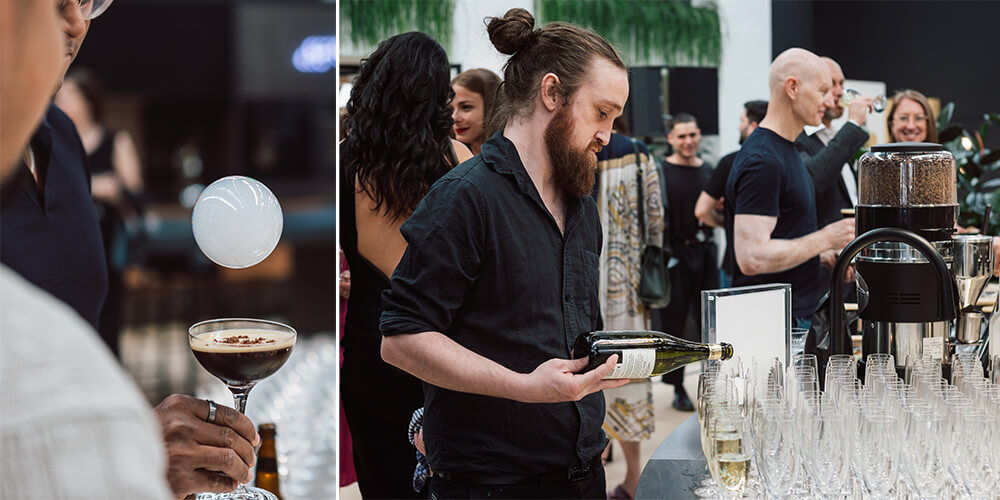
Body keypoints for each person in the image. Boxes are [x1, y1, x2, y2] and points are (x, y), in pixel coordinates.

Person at [0, 1, 261, 498]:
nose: (77, 21)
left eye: (88, 0)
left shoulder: (62, 139)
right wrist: (122, 449)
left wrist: (126, 444)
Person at [379, 8, 630, 499]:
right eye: (601, 113)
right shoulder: (465, 196)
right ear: (551, 93)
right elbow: (401, 339)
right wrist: (525, 386)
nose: (607, 134)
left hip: (581, 472)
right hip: (492, 482)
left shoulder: (581, 205)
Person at [340, 32, 472, 499]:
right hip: (441, 349)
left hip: (370, 352)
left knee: (382, 484)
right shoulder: (458, 161)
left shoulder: (344, 161)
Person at [724, 48, 856, 328]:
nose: (829, 100)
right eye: (822, 90)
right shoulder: (763, 160)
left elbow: (783, 234)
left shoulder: (785, 150)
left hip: (792, 313)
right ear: (793, 88)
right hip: (772, 321)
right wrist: (825, 239)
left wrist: (819, 256)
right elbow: (751, 258)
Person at [593, 116, 664, 500]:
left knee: (583, 370)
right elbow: (656, 219)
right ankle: (634, 477)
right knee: (629, 372)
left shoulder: (573, 148)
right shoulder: (637, 153)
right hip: (628, 286)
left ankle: (592, 469)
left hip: (580, 279)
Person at [54, 67, 144, 357]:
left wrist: (112, 189)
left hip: (106, 240)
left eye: (69, 95)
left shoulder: (115, 140)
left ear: (88, 101)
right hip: (65, 242)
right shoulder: (54, 140)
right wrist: (94, 186)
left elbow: (134, 193)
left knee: (107, 315)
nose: (61, 101)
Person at [653, 113, 718, 409]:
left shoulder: (709, 170)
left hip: (704, 252)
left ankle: (713, 380)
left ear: (699, 135)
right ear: (670, 139)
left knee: (710, 321)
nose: (688, 141)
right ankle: (677, 386)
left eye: (692, 135)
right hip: (675, 256)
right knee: (674, 321)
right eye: (681, 136)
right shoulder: (661, 171)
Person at [795, 57, 872, 295]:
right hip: (816, 274)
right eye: (830, 85)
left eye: (841, 84)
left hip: (846, 270)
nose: (839, 92)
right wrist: (853, 124)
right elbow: (813, 180)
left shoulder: (834, 138)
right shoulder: (797, 138)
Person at [695, 100, 768, 288]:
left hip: (735, 267)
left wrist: (727, 224)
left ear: (753, 126)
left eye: (742, 120)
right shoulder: (782, 160)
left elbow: (701, 210)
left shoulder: (730, 162)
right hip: (773, 267)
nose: (738, 126)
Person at [451, 68, 502, 155]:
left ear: (492, 107)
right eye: (451, 109)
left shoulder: (516, 157)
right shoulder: (445, 157)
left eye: (466, 107)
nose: (454, 118)